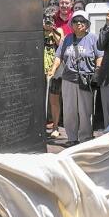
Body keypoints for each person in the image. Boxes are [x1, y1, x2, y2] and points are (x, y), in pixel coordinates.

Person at [48, 10, 97, 145]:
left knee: (85, 110)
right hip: (68, 79)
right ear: (72, 24)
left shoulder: (93, 38)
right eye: (75, 21)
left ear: (87, 24)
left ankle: (86, 138)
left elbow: (100, 56)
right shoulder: (68, 39)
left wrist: (97, 70)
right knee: (69, 110)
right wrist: (53, 69)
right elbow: (59, 56)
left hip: (85, 80)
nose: (79, 24)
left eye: (82, 21)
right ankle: (72, 138)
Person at [42, 9, 64, 137]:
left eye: (51, 18)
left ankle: (55, 127)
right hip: (41, 68)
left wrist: (52, 30)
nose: (49, 21)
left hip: (54, 70)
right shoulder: (39, 30)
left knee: (54, 100)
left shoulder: (58, 30)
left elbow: (61, 45)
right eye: (46, 18)